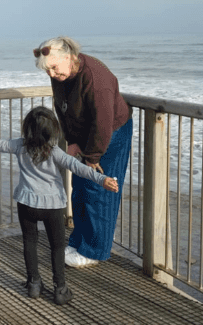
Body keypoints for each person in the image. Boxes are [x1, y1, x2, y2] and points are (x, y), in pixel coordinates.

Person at [0, 106, 118, 305]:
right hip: (52, 206)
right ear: (52, 131)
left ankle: (34, 284)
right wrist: (102, 179)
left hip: (26, 203)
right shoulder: (55, 152)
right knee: (56, 247)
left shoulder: (19, 145)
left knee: (30, 242)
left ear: (27, 128)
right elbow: (78, 168)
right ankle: (60, 288)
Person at [33, 36, 132, 268]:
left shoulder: (97, 79)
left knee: (98, 190)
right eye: (47, 71)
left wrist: (92, 157)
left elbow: (103, 123)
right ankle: (79, 241)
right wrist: (72, 141)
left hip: (110, 134)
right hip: (85, 134)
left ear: (68, 57)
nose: (51, 75)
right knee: (79, 188)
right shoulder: (62, 74)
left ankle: (94, 251)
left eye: (54, 68)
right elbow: (61, 108)